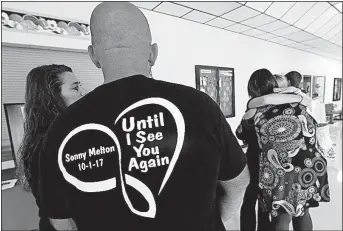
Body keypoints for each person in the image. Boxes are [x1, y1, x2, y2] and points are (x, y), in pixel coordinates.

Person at [38, 2, 249, 231]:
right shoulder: (201, 106)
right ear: (153, 53)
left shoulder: (61, 129)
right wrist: (214, 220)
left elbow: (60, 221)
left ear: (93, 56)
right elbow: (238, 182)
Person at [239, 69, 330, 231]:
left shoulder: (255, 110)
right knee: (302, 213)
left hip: (281, 169)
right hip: (309, 165)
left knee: (282, 216)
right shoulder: (300, 103)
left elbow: (241, 133)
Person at [17, 64, 86, 230]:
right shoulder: (44, 148)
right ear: (52, 97)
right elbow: (62, 222)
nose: (84, 93)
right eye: (75, 88)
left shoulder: (72, 137)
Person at [238, 69, 276, 231]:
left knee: (248, 202)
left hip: (254, 160)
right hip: (272, 162)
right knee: (265, 203)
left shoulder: (252, 111)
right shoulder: (278, 109)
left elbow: (240, 133)